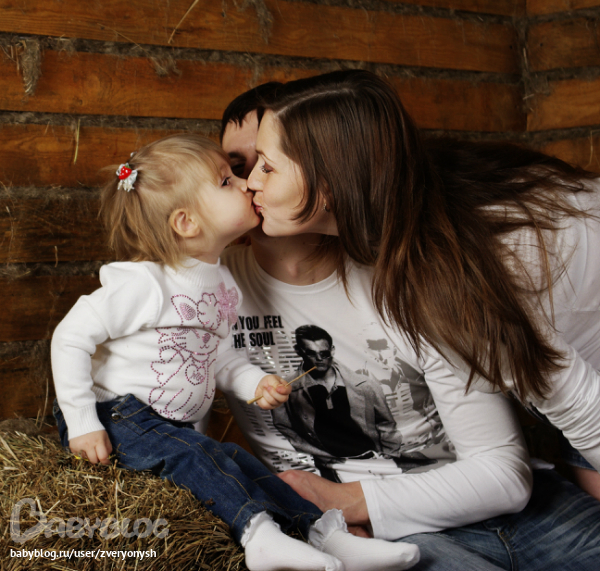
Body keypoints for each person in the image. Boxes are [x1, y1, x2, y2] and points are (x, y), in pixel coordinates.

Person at [217, 75, 600, 570]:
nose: (250, 183)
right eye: (239, 168)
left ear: (329, 179)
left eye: (267, 166)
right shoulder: (392, 243)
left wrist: (354, 500)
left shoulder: (448, 269)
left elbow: (575, 404)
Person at [51, 133, 421, 571]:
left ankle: (327, 534)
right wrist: (82, 421)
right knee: (198, 456)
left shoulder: (223, 284)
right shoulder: (145, 283)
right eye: (227, 181)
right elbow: (69, 338)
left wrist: (255, 383)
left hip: (172, 427)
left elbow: (221, 357)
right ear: (186, 223)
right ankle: (258, 536)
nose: (247, 183)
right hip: (119, 416)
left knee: (240, 461)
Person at [272, 324, 418, 482]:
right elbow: (284, 426)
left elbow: (386, 424)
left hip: (373, 461)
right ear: (298, 351)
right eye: (311, 353)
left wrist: (389, 457)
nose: (319, 359)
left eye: (324, 353)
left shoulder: (365, 384)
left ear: (332, 350)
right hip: (330, 468)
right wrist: (321, 455)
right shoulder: (287, 388)